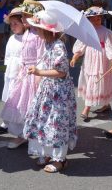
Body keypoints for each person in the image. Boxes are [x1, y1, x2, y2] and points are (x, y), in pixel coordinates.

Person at [23, 10, 77, 173]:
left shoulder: (58, 45)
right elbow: (47, 65)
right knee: (44, 121)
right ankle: (47, 153)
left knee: (56, 123)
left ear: (47, 30)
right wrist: (38, 68)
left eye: (39, 28)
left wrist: (39, 72)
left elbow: (61, 71)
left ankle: (60, 160)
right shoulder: (47, 44)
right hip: (48, 89)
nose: (36, 30)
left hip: (58, 92)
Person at [0, 0, 44, 148]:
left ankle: (30, 134)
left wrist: (38, 74)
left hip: (34, 74)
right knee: (19, 103)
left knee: (30, 105)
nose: (23, 19)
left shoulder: (37, 35)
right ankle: (22, 134)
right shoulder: (26, 34)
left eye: (25, 16)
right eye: (22, 16)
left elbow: (40, 56)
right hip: (23, 74)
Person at [70, 7, 112, 121]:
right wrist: (75, 56)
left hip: (102, 59)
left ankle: (88, 108)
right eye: (94, 19)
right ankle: (102, 105)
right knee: (90, 81)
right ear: (89, 20)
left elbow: (110, 47)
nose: (97, 20)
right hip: (90, 58)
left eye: (99, 18)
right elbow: (82, 45)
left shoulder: (106, 32)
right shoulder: (87, 32)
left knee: (99, 80)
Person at [0, 7, 25, 135]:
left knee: (16, 99)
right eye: (11, 24)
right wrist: (7, 69)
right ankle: (5, 123)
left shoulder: (28, 38)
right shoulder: (12, 38)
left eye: (16, 23)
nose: (13, 26)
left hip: (20, 73)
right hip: (11, 71)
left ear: (24, 23)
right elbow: (8, 55)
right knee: (8, 97)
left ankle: (18, 127)